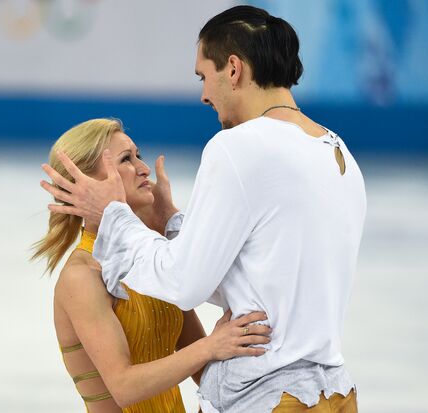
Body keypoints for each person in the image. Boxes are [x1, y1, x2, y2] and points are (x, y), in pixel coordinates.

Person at [40, 5, 366, 412]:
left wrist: (118, 218)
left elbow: (185, 282)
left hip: (271, 396)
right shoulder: (338, 153)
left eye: (203, 76)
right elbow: (232, 269)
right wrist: (172, 226)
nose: (203, 95)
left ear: (233, 69)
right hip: (333, 393)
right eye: (127, 159)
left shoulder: (239, 147)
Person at [34, 118, 272, 413]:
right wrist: (211, 346)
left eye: (138, 155)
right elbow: (124, 387)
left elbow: (202, 372)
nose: (144, 168)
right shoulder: (81, 276)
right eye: (126, 160)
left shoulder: (147, 258)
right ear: (88, 183)